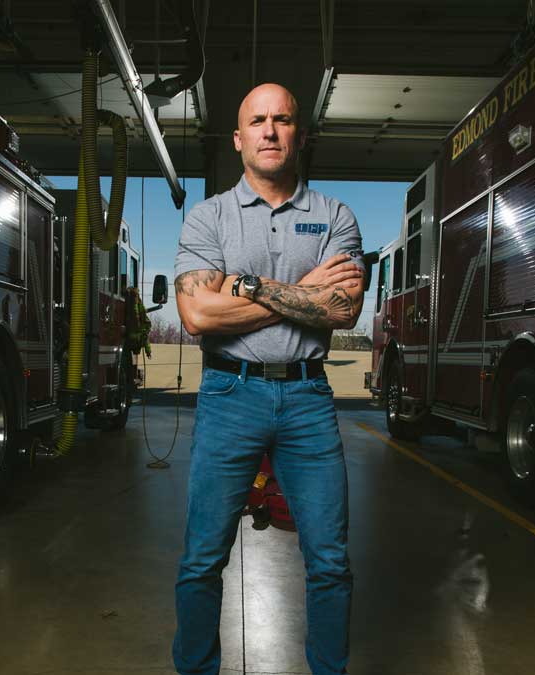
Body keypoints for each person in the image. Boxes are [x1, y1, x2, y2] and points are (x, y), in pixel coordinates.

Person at [172, 82, 365, 675]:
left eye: (282, 119)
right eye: (257, 121)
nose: (270, 130)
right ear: (238, 139)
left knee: (330, 560)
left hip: (307, 397)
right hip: (229, 394)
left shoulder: (334, 216)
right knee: (203, 558)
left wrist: (247, 287)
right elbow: (197, 315)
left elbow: (343, 310)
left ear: (299, 134)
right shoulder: (209, 217)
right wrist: (306, 293)